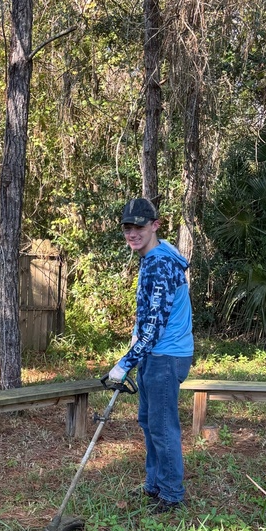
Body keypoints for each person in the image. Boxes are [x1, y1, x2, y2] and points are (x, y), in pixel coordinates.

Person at [107, 197, 193, 513]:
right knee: (148, 421)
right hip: (154, 353)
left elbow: (156, 326)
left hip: (165, 356)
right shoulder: (155, 256)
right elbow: (149, 313)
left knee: (162, 426)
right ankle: (154, 484)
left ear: (154, 225)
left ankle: (171, 495)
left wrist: (124, 363)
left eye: (139, 227)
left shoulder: (160, 263)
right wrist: (135, 337)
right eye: (127, 228)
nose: (132, 233)